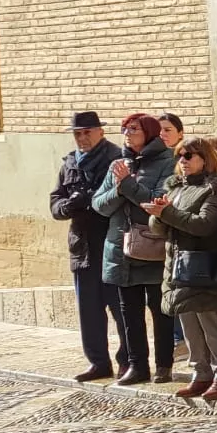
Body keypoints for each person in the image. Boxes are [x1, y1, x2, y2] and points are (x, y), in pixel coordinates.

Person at [145, 135, 217, 399]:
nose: (183, 161)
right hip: (176, 265)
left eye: (189, 156)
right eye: (180, 156)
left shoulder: (214, 189)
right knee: (188, 322)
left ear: (204, 159)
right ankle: (201, 373)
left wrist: (167, 213)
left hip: (204, 265)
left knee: (211, 322)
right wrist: (159, 214)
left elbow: (205, 224)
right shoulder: (175, 188)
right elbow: (160, 228)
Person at [94, 113, 176, 385]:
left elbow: (156, 200)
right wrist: (119, 190)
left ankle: (164, 365)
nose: (127, 133)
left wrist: (127, 185)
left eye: (134, 129)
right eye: (125, 129)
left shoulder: (168, 161)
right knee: (128, 312)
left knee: (160, 311)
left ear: (149, 133)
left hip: (152, 246)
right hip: (120, 248)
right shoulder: (118, 164)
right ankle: (136, 366)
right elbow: (99, 205)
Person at [52, 111, 127, 383]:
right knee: (89, 310)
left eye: (87, 132)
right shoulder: (69, 162)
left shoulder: (115, 159)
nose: (82, 138)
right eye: (77, 133)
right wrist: (67, 206)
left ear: (100, 132)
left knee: (120, 308)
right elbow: (55, 201)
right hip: (82, 246)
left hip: (110, 243)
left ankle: (126, 360)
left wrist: (91, 200)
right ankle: (98, 362)